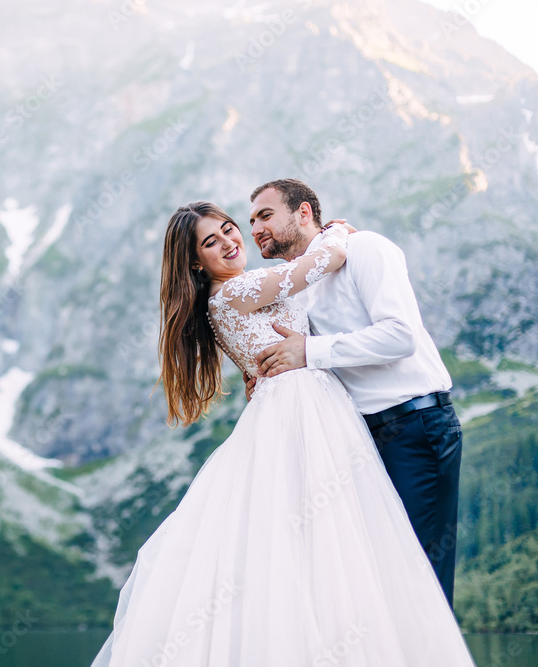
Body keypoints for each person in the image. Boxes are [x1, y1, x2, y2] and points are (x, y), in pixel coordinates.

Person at [90, 201, 474, 666]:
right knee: (334, 538)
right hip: (302, 412)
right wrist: (334, 232)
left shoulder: (234, 294)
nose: (232, 241)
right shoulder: (235, 291)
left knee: (322, 542)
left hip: (308, 406)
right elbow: (321, 264)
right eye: (212, 242)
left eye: (231, 230)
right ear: (195, 261)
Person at [247, 178, 462, 610]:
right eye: (250, 220)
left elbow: (400, 336)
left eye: (265, 215)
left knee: (420, 583)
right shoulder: (302, 283)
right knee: (371, 582)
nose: (254, 229)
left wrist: (307, 351)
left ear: (303, 212)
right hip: (355, 440)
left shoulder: (366, 249)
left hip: (415, 427)